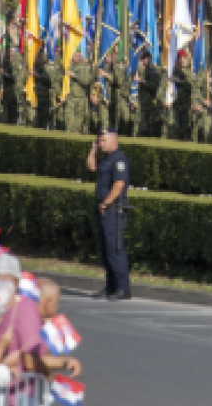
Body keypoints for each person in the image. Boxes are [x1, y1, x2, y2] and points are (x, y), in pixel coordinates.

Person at [85, 127, 131, 300]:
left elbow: (119, 184)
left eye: (103, 140)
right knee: (105, 250)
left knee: (115, 249)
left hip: (113, 209)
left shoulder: (119, 160)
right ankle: (111, 286)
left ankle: (123, 288)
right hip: (104, 209)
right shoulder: (106, 159)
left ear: (114, 139)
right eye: (99, 140)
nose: (101, 143)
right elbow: (91, 167)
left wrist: (106, 202)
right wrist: (93, 149)